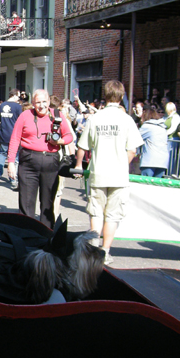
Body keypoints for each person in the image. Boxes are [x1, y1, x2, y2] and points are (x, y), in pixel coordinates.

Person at [74, 81, 143, 265]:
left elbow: (82, 146)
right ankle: (105, 251)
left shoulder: (95, 118)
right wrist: (121, 165)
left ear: (105, 95)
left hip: (98, 172)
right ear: (121, 96)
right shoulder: (127, 120)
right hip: (119, 176)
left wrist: (79, 165)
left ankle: (93, 251)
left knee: (96, 213)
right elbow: (132, 150)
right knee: (112, 216)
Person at [7, 89, 73, 227]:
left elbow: (69, 136)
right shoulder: (25, 115)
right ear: (33, 103)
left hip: (50, 160)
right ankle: (27, 233)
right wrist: (11, 162)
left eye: (44, 102)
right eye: (38, 102)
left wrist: (59, 141)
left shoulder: (57, 115)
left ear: (49, 101)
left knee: (48, 204)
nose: (41, 105)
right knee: (26, 202)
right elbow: (15, 139)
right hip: (28, 161)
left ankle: (46, 234)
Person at [0, 89, 23, 187]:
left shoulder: (2, 105)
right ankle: (12, 177)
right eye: (18, 96)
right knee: (14, 157)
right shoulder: (18, 107)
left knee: (2, 154)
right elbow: (21, 120)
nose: (18, 98)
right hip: (14, 135)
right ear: (14, 96)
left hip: (4, 133)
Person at [138, 107, 169, 178]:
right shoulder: (162, 127)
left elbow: (135, 138)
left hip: (149, 161)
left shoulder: (147, 126)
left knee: (146, 183)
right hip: (162, 161)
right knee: (156, 184)